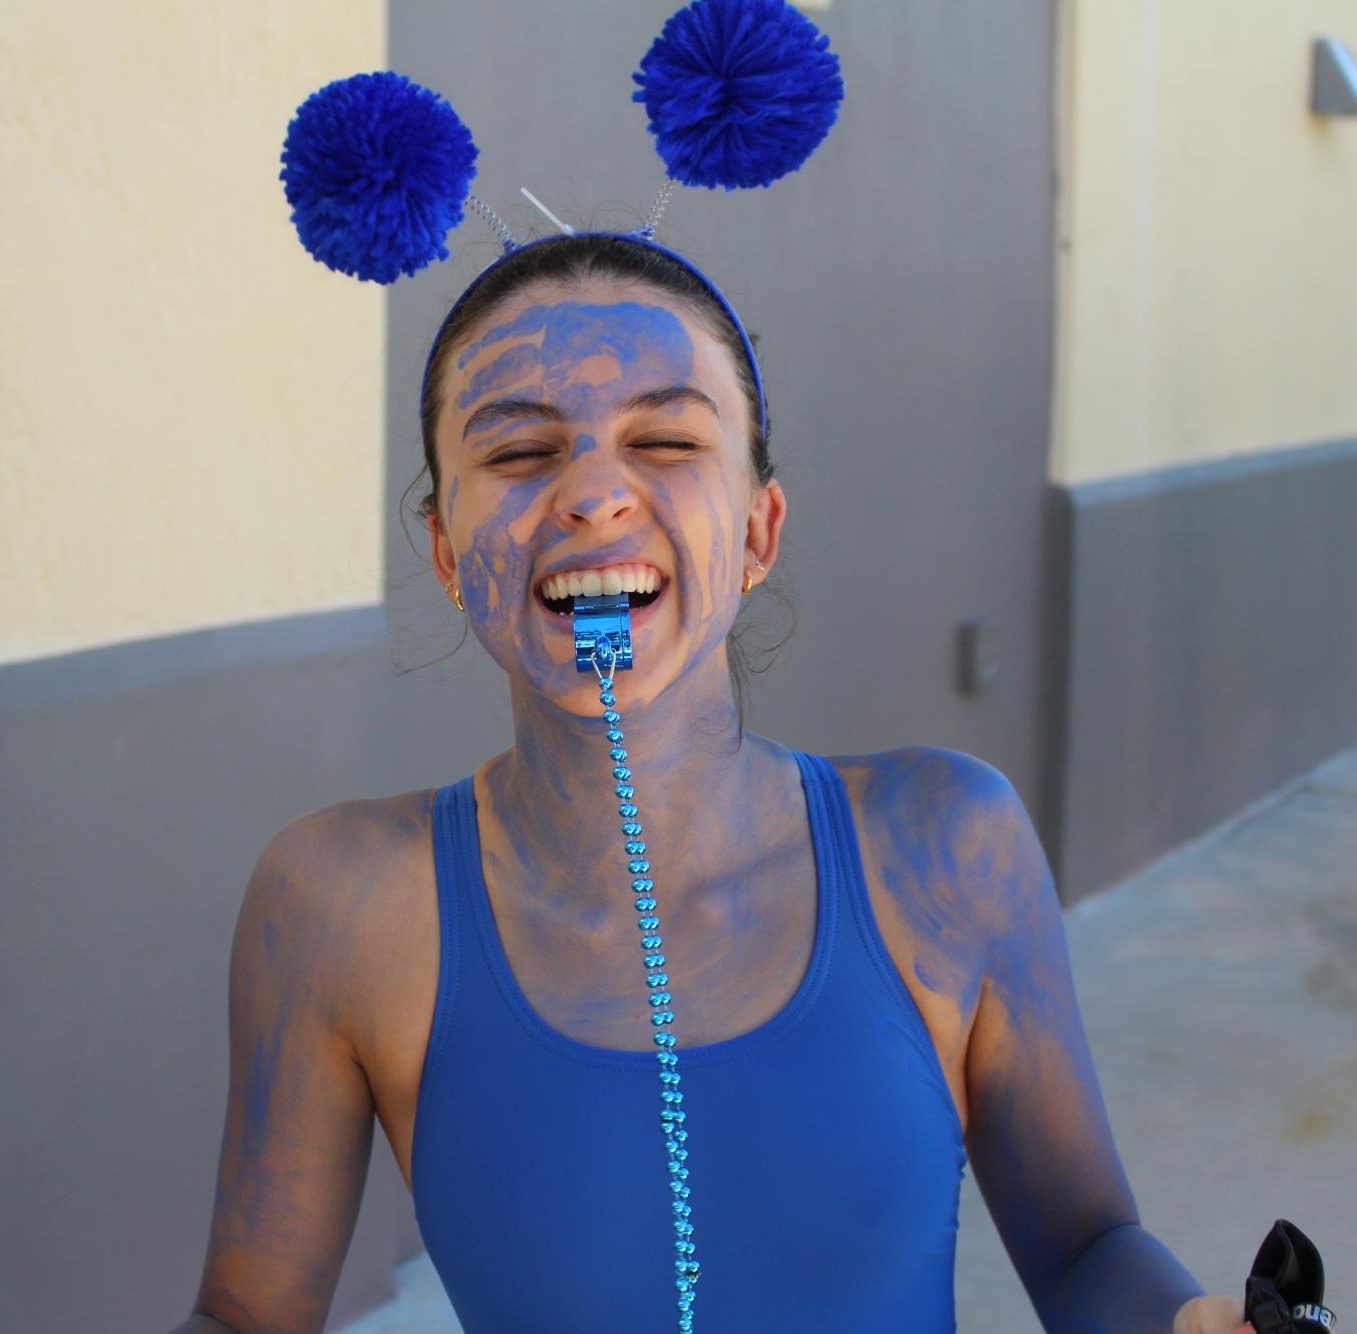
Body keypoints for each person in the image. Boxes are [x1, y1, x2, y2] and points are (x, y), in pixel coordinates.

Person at [169, 232, 1255, 1332]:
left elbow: (1085, 1246)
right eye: (517, 453)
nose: (594, 494)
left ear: (756, 529)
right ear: (448, 551)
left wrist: (1182, 1317)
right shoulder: (339, 905)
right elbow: (244, 1315)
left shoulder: (944, 844)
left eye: (667, 437)